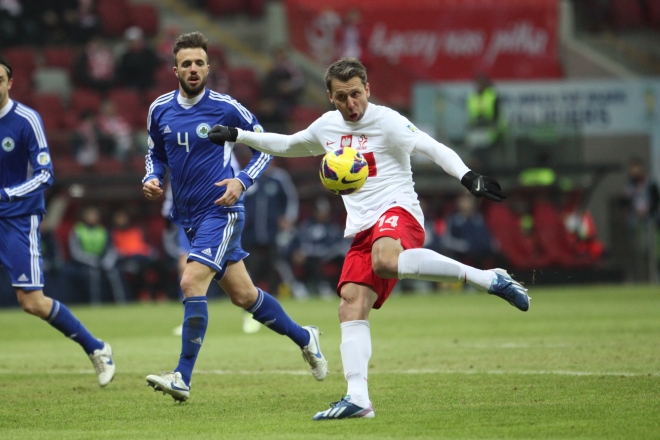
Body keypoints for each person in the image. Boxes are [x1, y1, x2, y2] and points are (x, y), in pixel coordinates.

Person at [209, 57, 530, 419]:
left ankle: (489, 278)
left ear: (368, 90)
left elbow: (431, 147)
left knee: (385, 261)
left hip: (399, 211)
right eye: (343, 96)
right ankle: (358, 399)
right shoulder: (328, 126)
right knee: (350, 302)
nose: (352, 104)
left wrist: (468, 176)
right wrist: (239, 135)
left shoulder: (388, 121)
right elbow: (287, 144)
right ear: (330, 96)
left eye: (357, 94)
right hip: (364, 227)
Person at [141, 32, 327, 402]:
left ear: (209, 68)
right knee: (244, 296)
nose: (193, 69)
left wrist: (241, 182)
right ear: (174, 68)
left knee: (191, 281)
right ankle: (306, 338)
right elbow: (155, 153)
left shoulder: (227, 108)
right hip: (189, 217)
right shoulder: (159, 109)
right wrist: (151, 176)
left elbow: (265, 147)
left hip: (221, 211)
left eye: (199, 63)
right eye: (186, 63)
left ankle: (182, 376)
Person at [0, 55, 115, 387]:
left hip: (17, 219)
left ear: (10, 83)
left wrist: (7, 195)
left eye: (0, 79)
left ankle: (96, 348)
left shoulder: (26, 120)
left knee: (32, 302)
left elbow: (45, 175)